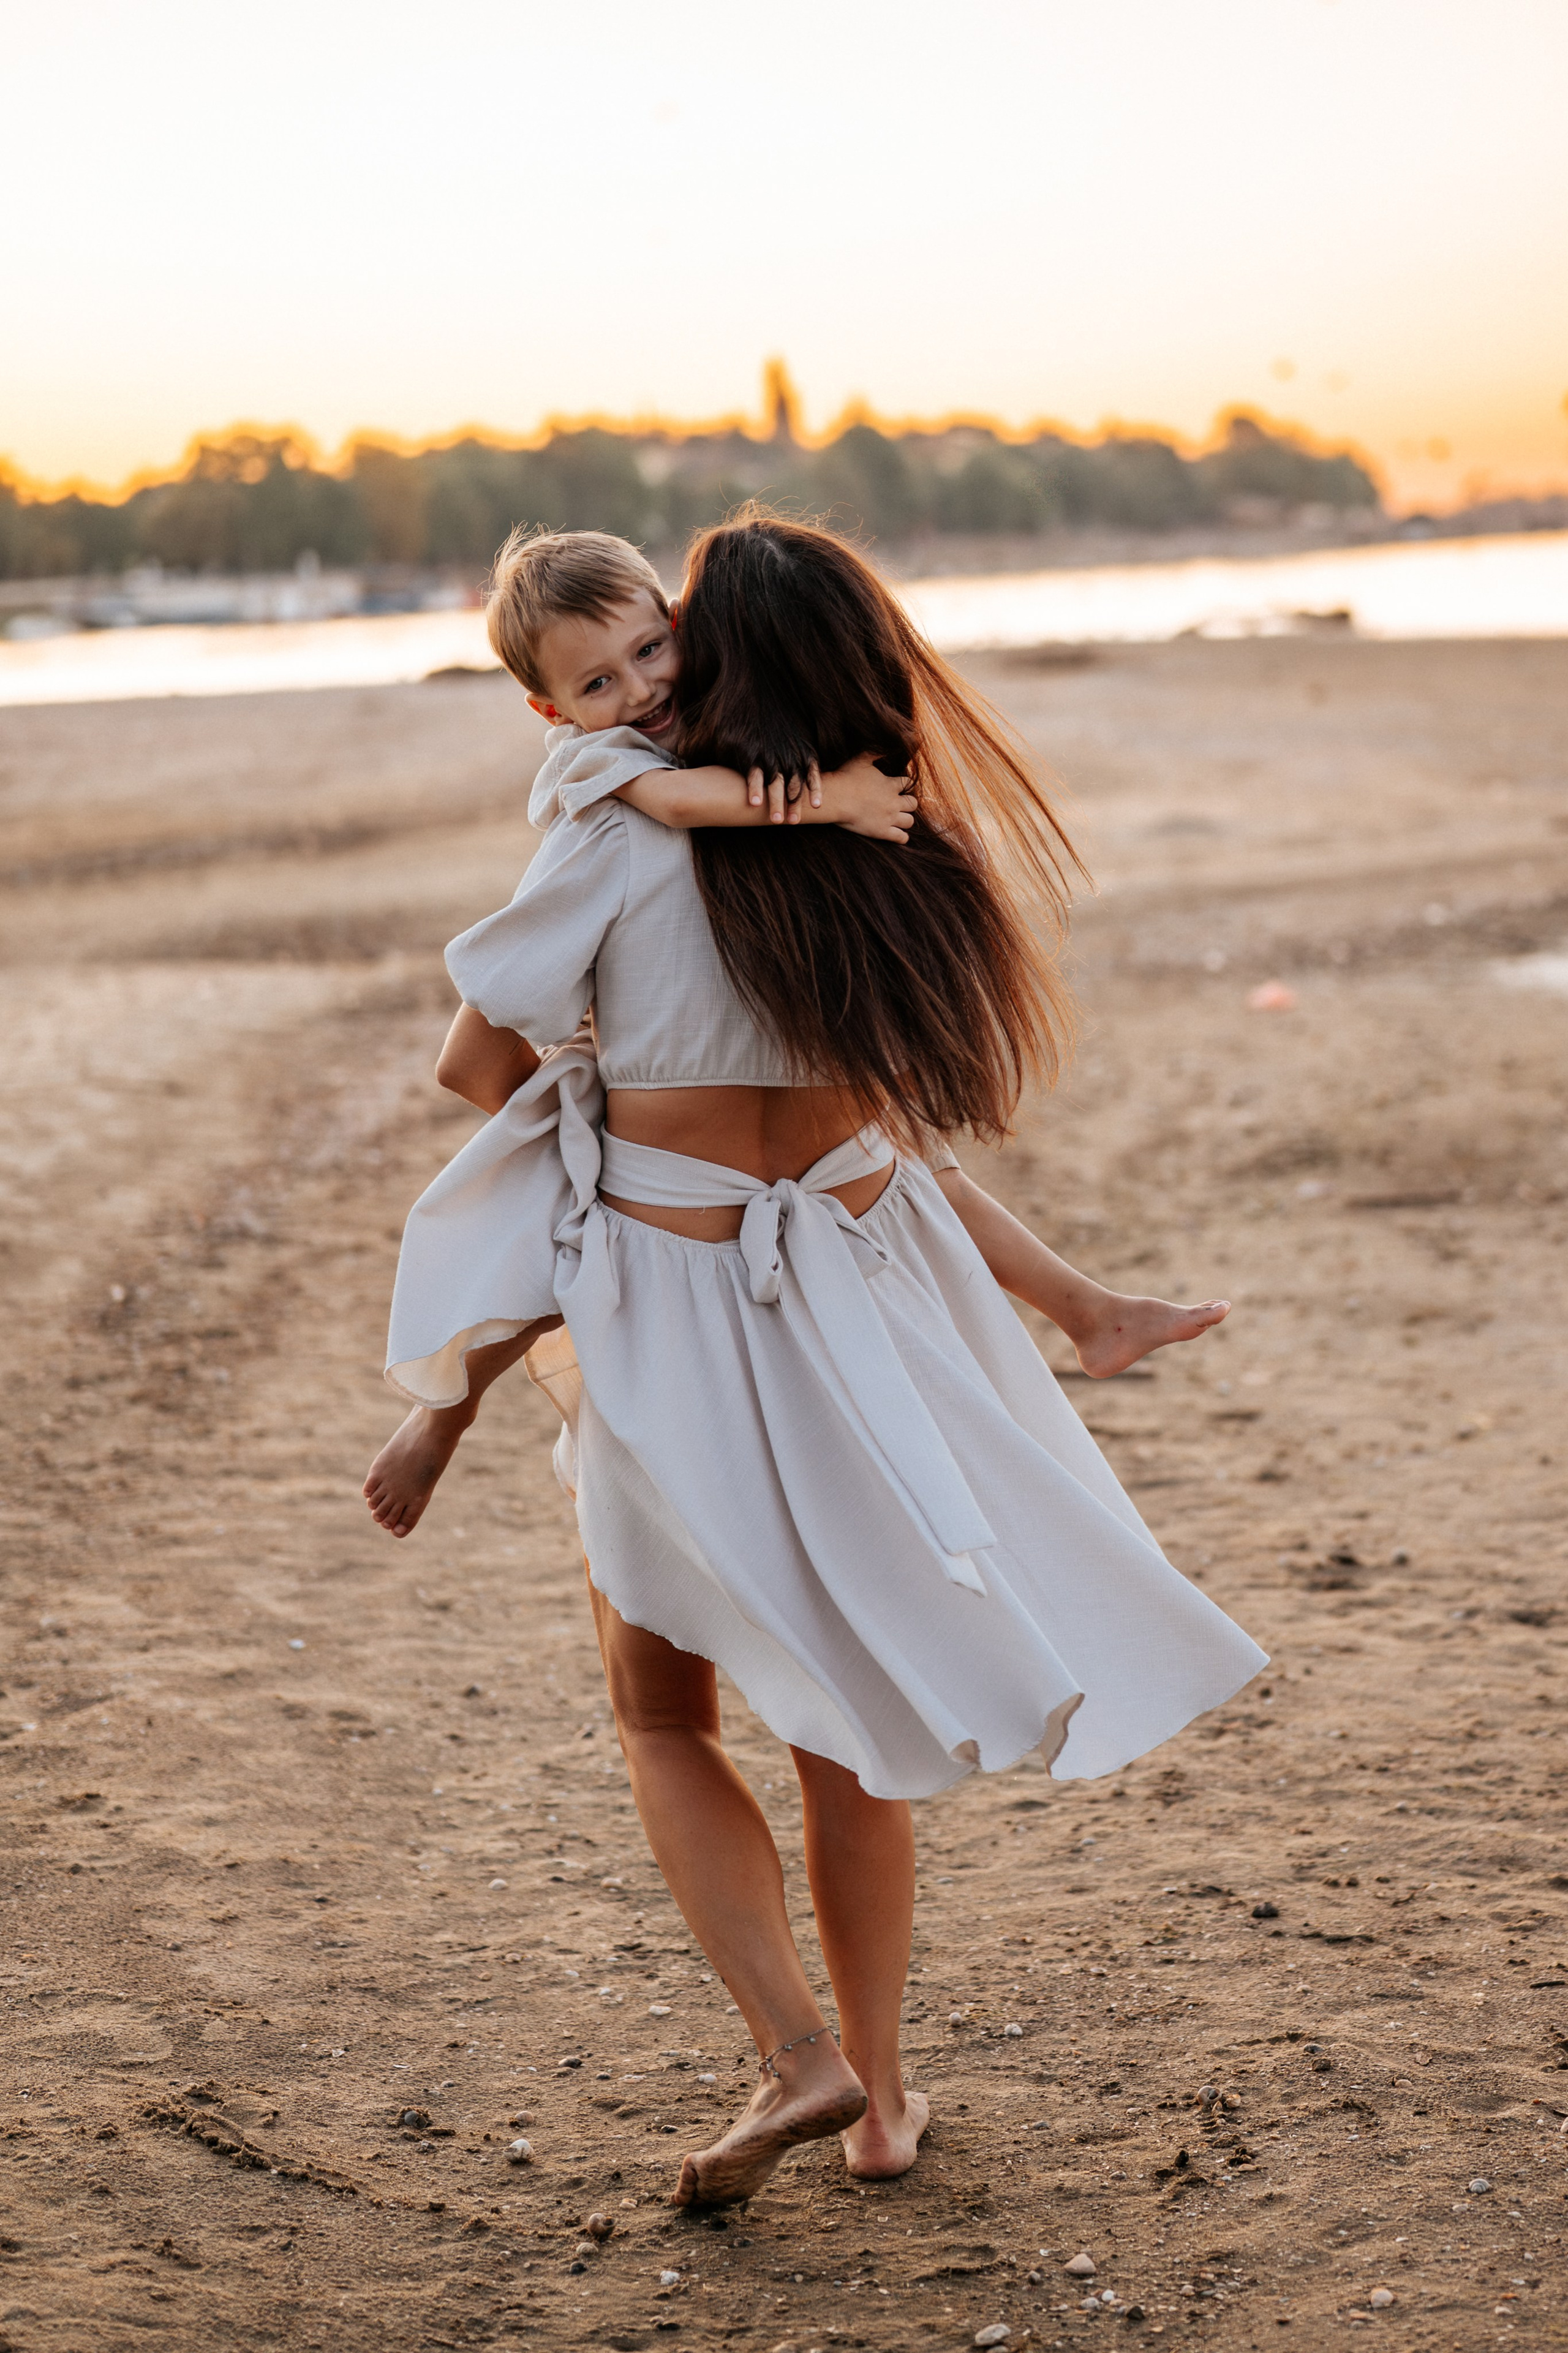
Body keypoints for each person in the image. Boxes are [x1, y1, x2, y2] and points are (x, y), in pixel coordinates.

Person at [366, 517, 1265, 2207]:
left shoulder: (616, 842)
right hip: (851, 1317)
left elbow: (473, 1069)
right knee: (849, 1729)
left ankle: (798, 2050)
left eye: (657, 654)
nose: (643, 687)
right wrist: (1078, 1305)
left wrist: (594, 1086)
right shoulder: (871, 852)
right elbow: (890, 1156)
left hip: (667, 1302)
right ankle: (885, 2100)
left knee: (661, 1707)